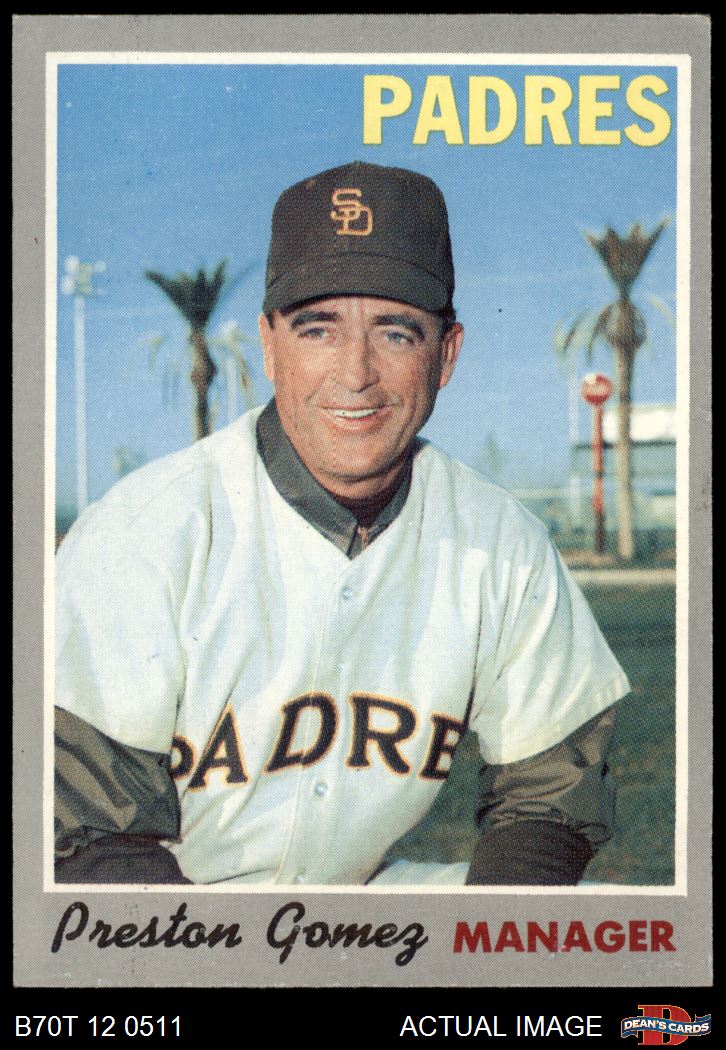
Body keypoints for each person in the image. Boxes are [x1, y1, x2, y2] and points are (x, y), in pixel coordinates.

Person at [55, 161, 629, 886]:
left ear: (446, 354)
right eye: (318, 329)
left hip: (362, 902)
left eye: (396, 333)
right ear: (270, 345)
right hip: (176, 912)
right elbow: (84, 834)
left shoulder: (503, 543)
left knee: (599, 928)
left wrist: (486, 936)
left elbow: (549, 795)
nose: (355, 373)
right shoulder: (143, 533)